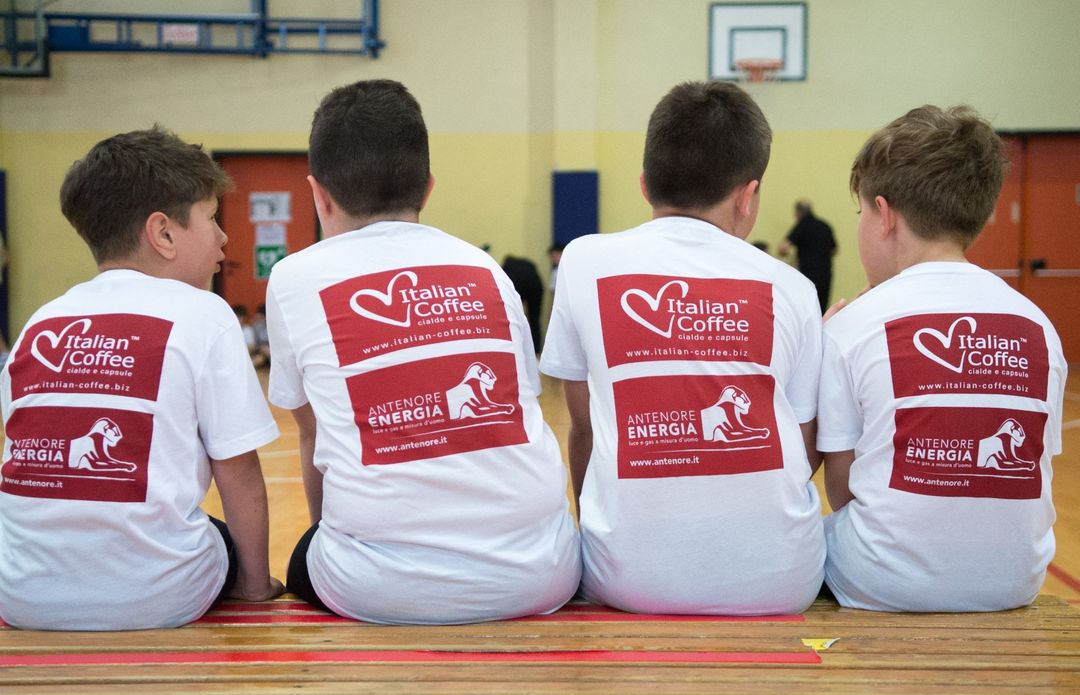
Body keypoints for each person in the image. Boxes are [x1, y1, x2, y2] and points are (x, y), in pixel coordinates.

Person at [267, 79, 580, 624]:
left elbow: (311, 431)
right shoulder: (487, 270)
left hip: (377, 588)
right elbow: (521, 404)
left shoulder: (293, 277)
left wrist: (326, 538)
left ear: (318, 195)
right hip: (541, 573)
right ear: (429, 187)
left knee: (301, 558)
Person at [540, 80, 825, 615]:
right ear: (748, 196)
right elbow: (805, 446)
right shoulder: (793, 288)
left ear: (646, 185)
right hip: (784, 582)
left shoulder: (583, 262)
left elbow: (584, 431)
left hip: (626, 582)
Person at [0, 127, 283, 630]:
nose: (223, 237)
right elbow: (239, 478)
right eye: (212, 219)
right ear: (164, 233)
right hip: (157, 599)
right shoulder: (205, 314)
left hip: (19, 595)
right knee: (214, 537)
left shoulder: (40, 323)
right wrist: (255, 589)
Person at [817, 105, 1067, 612]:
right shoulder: (1038, 326)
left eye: (860, 213)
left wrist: (817, 347)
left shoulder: (850, 327)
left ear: (884, 215)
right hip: (1016, 582)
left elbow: (842, 492)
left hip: (881, 581)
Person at [779, 200, 836, 313]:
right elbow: (835, 250)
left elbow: (783, 248)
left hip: (807, 274)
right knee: (821, 309)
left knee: (806, 309)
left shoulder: (802, 225)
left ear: (798, 212)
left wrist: (790, 255)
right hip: (825, 273)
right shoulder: (825, 225)